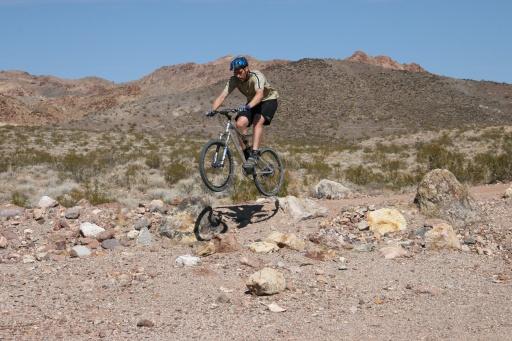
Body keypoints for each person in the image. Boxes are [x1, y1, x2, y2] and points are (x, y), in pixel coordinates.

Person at [208, 56, 279, 172]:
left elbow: (260, 95)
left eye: (239, 72)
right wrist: (213, 110)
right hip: (252, 103)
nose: (237, 75)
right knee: (240, 123)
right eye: (235, 72)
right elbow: (222, 96)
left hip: (268, 100)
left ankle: (255, 154)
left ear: (246, 69)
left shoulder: (257, 76)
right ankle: (247, 152)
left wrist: (248, 106)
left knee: (257, 120)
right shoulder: (234, 80)